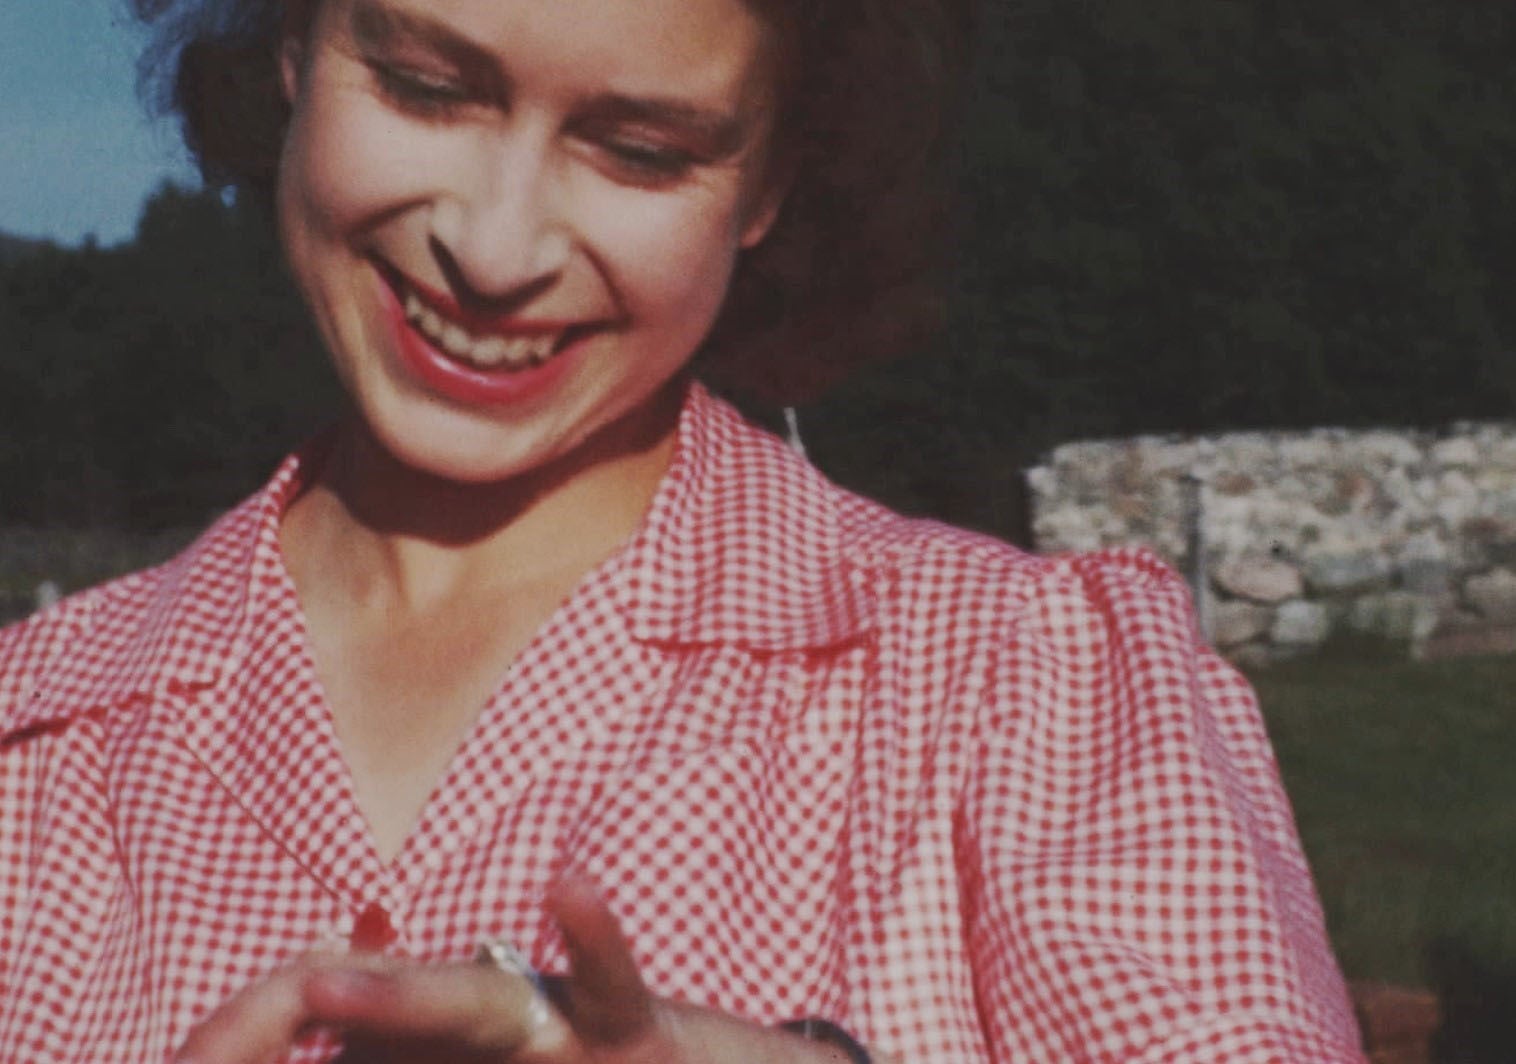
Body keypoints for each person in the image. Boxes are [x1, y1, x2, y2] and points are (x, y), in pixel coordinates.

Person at [0, 0, 1367, 1061]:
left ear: (772, 188)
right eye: (427, 87)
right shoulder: (33, 742)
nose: (496, 245)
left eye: (641, 152)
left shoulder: (1028, 692)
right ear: (292, 48)